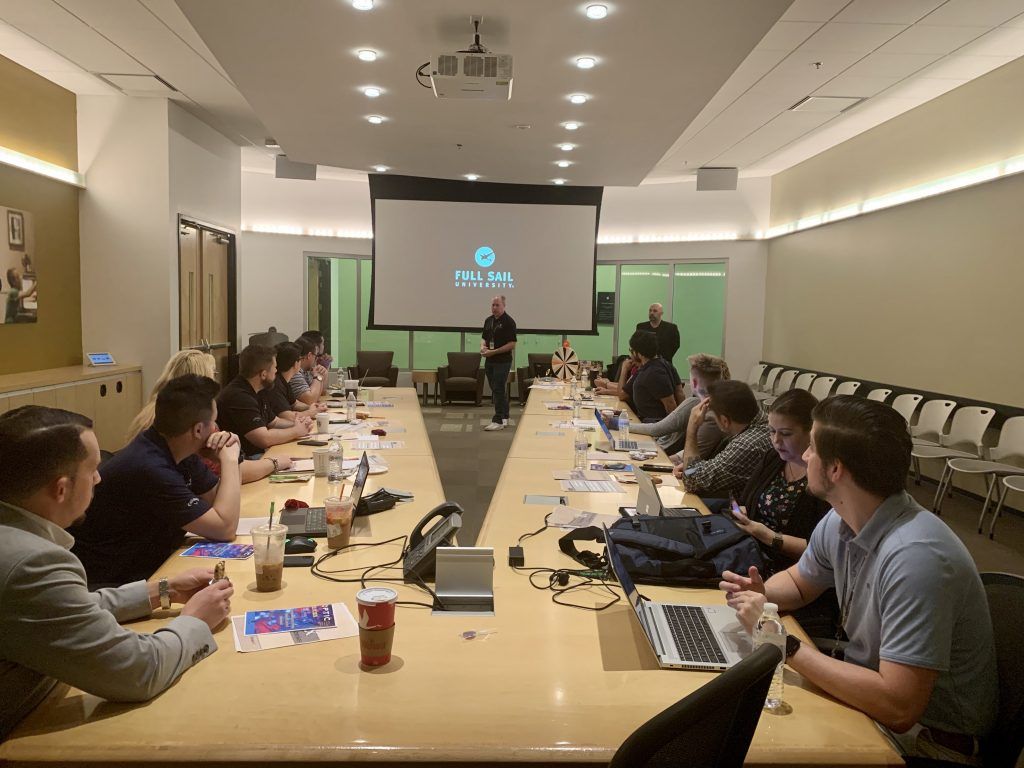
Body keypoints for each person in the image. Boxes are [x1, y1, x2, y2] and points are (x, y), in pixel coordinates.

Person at [720, 396, 997, 764]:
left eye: (813, 449)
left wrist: (781, 643)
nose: (805, 458)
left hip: (930, 744)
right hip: (871, 703)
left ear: (836, 470)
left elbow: (898, 708)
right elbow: (802, 583)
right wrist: (760, 593)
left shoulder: (917, 557)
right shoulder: (841, 519)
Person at [0, 406, 233, 738]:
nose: (99, 478)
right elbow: (138, 672)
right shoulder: (31, 563)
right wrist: (196, 618)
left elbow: (62, 610)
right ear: (61, 488)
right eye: (93, 469)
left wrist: (162, 591)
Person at [71, 375, 243, 587]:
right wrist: (230, 459)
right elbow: (224, 528)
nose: (217, 428)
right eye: (214, 421)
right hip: (115, 584)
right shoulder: (149, 466)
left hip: (152, 565)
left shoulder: (178, 449)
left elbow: (220, 504)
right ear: (198, 430)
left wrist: (222, 460)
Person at [126, 349, 290, 482]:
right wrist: (274, 463)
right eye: (213, 374)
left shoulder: (148, 413)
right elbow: (233, 472)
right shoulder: (194, 422)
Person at [674, 379, 771, 498]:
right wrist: (690, 468)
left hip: (737, 510)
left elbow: (691, 481)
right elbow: (695, 471)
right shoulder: (759, 421)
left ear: (725, 421)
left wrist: (692, 427)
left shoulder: (747, 445)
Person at [216, 344, 312, 457]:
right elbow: (264, 439)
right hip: (247, 459)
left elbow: (274, 422)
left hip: (260, 454)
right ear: (263, 374)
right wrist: (296, 431)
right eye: (274, 368)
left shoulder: (259, 389)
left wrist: (299, 424)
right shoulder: (239, 396)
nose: (276, 371)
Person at [628, 352, 729, 459]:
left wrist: (617, 424)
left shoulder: (698, 407)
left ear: (694, 383)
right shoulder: (720, 409)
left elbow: (657, 430)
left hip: (671, 462)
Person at [619, 331, 677, 423]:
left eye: (631, 350)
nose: (631, 354)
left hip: (653, 424)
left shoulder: (653, 372)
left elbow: (670, 405)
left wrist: (669, 435)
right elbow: (679, 392)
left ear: (639, 353)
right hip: (646, 421)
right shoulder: (656, 365)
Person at [481, 295, 517, 431]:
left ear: (503, 306)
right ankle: (505, 416)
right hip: (489, 359)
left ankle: (498, 420)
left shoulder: (509, 322)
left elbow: (512, 344)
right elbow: (484, 338)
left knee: (498, 388)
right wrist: (482, 347)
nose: (494, 308)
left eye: (497, 305)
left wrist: (495, 351)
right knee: (496, 388)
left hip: (502, 361)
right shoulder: (488, 321)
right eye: (493, 305)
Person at [272, 342, 326, 417]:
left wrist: (311, 407)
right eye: (300, 359)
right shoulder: (275, 385)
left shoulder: (284, 382)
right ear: (295, 363)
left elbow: (295, 404)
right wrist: (310, 412)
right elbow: (285, 416)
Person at [290, 335, 329, 407]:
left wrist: (323, 374)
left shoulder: (305, 371)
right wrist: (318, 376)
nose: (316, 359)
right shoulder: (294, 372)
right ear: (309, 355)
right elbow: (310, 400)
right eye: (316, 356)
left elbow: (319, 393)